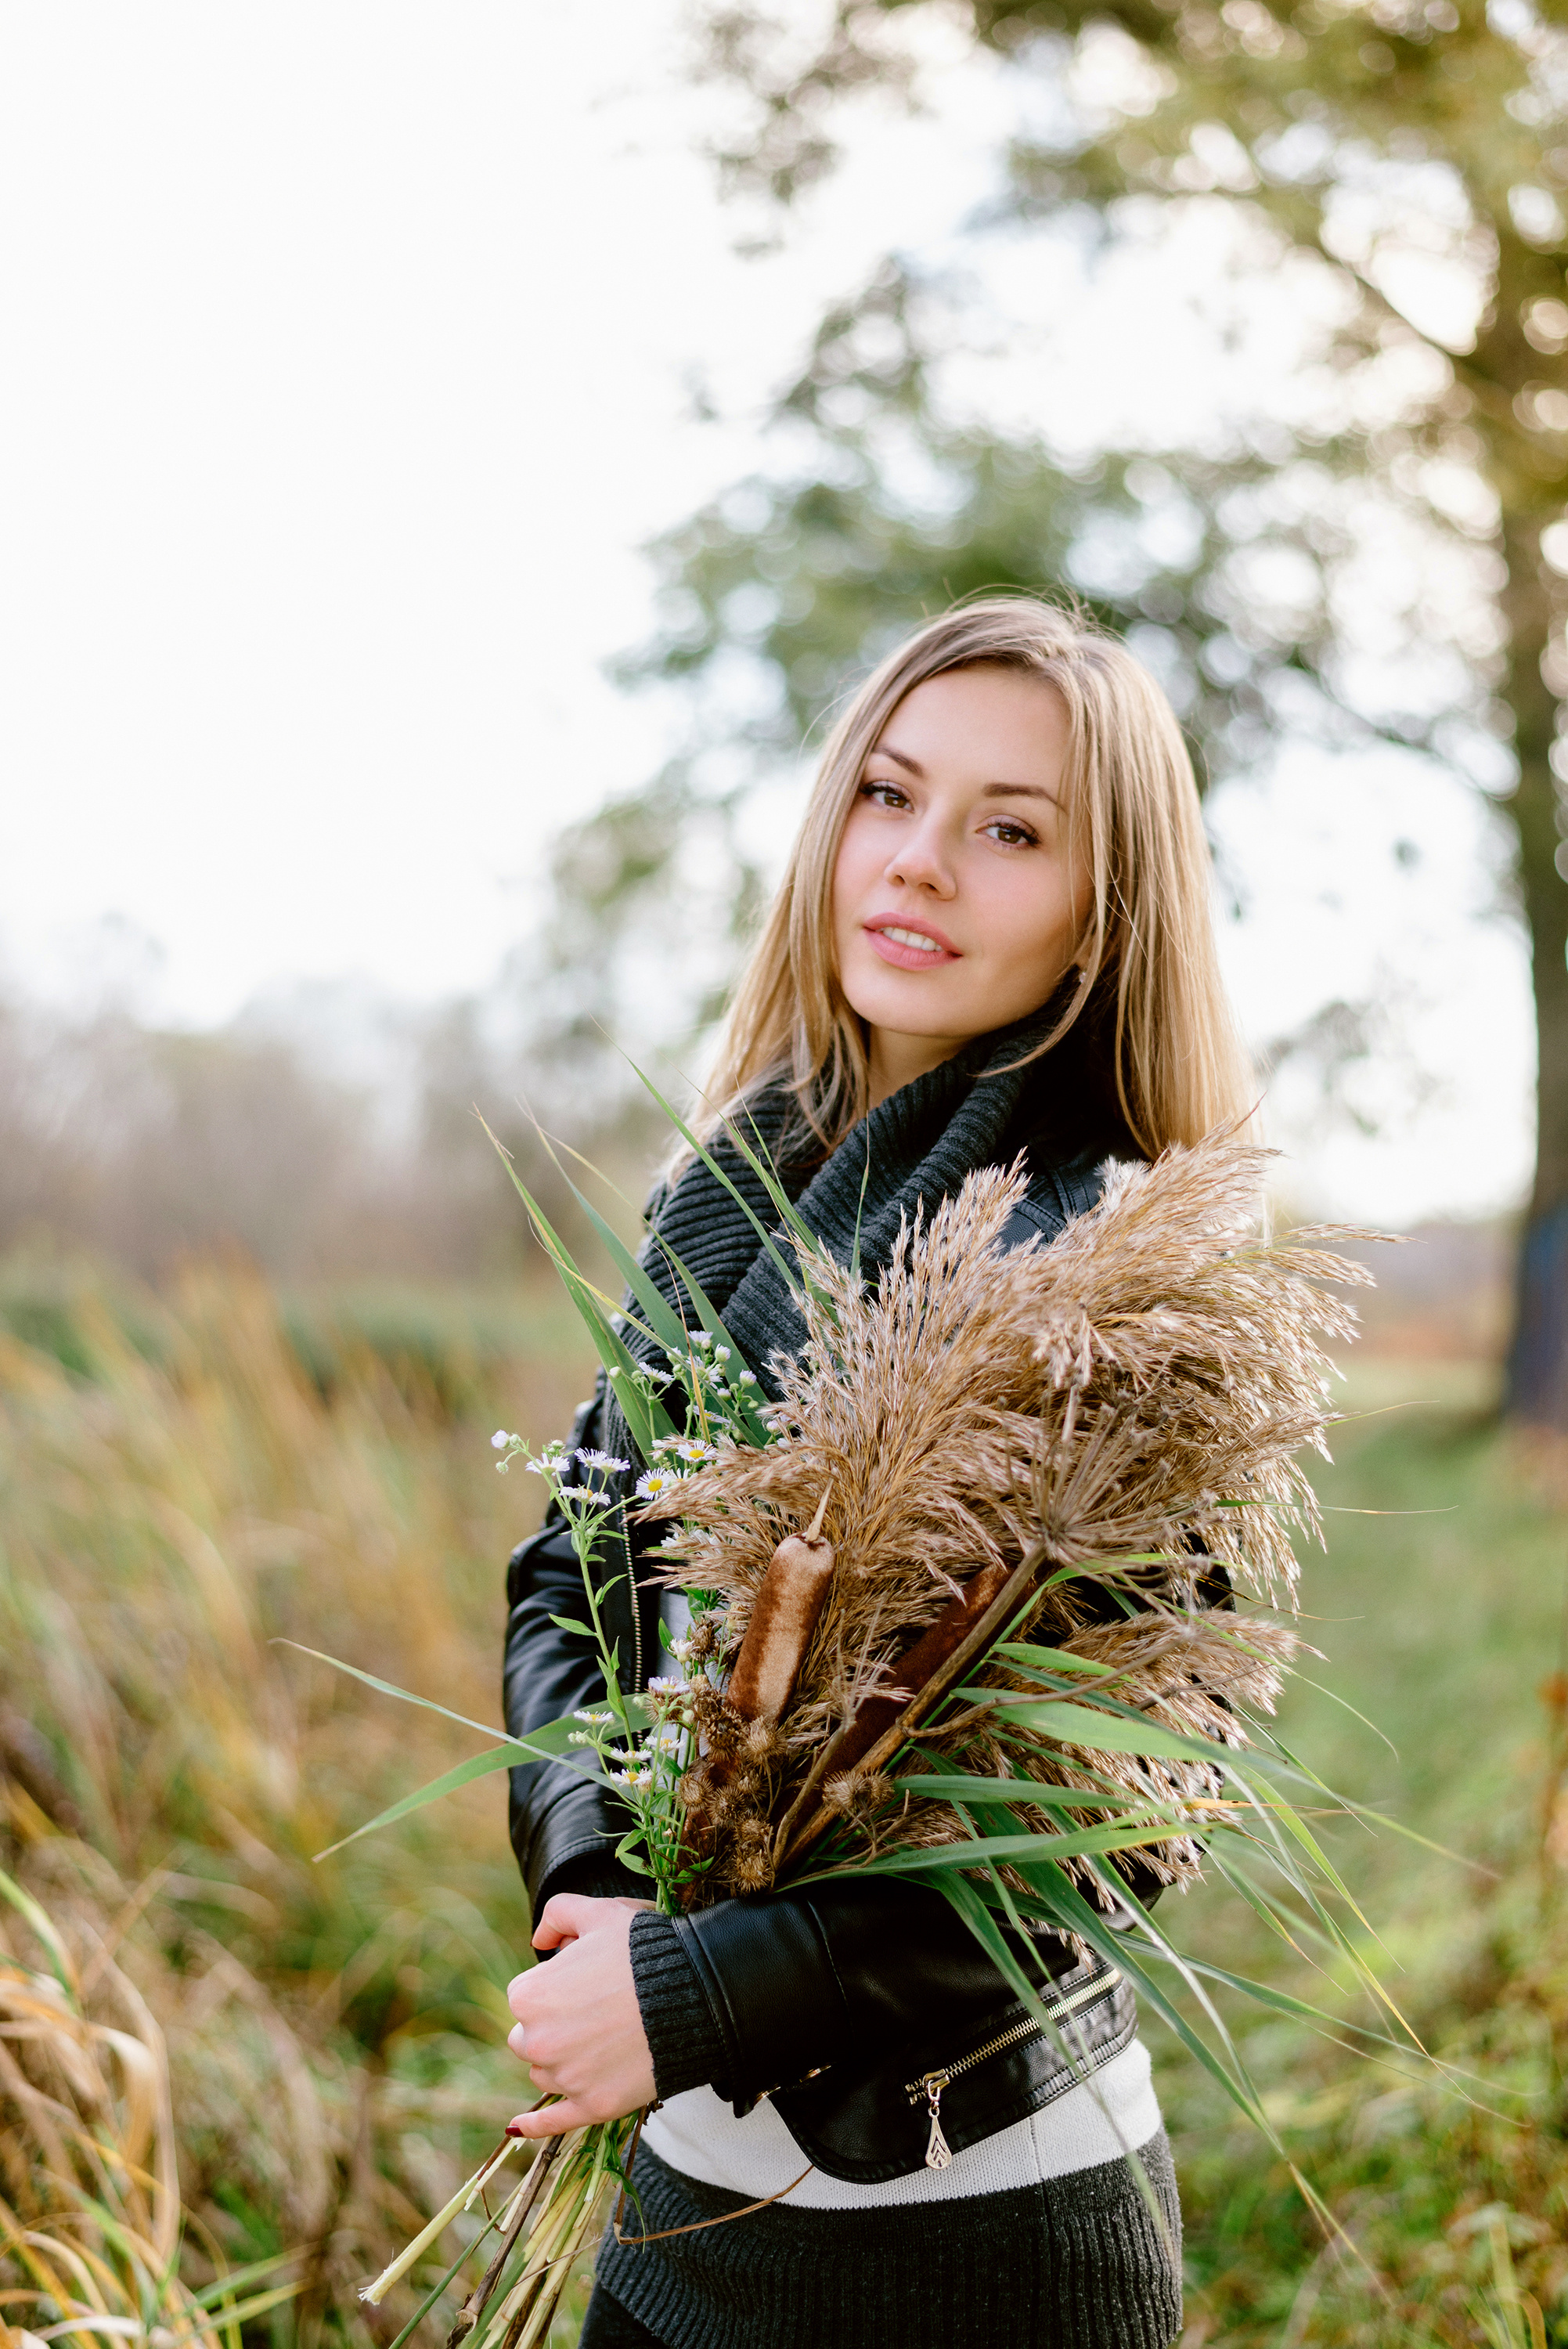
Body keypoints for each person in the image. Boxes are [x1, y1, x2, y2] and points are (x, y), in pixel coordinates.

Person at [500, 597, 1254, 2348]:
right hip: (687, 2173)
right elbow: (577, 1571)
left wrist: (704, 1990)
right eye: (889, 796)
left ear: (1100, 909)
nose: (920, 865)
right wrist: (591, 1877)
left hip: (973, 2229)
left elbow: (1126, 1819)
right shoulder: (735, 1190)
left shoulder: (1113, 1280)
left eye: (1010, 831)